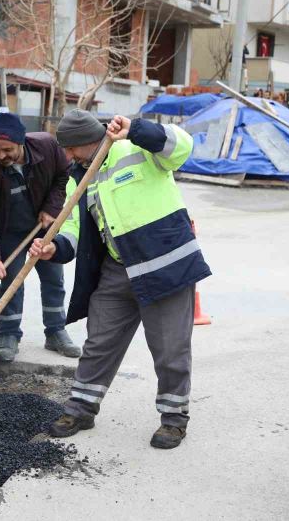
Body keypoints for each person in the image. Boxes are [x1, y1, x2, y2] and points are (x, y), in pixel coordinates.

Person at [29, 110, 211, 449]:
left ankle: (173, 419)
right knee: (99, 342)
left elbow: (182, 146)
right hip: (117, 269)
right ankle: (80, 408)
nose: (67, 157)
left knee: (170, 348)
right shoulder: (78, 177)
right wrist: (54, 247)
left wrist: (138, 130)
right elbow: (73, 226)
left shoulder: (137, 149)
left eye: (71, 149)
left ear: (88, 141)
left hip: (164, 266)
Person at [0, 112, 79, 363]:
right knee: (11, 284)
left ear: (21, 142)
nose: (1, 156)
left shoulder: (46, 145)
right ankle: (8, 335)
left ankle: (55, 331)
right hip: (10, 232)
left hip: (43, 229)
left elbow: (63, 176)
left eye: (7, 149)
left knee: (54, 280)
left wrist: (52, 208)